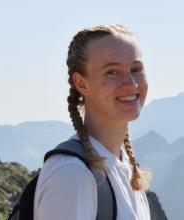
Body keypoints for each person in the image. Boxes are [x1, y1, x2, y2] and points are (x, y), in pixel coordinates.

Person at [34, 24, 154, 220]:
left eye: (136, 69)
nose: (131, 83)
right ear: (81, 84)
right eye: (112, 72)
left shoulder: (126, 170)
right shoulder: (71, 174)